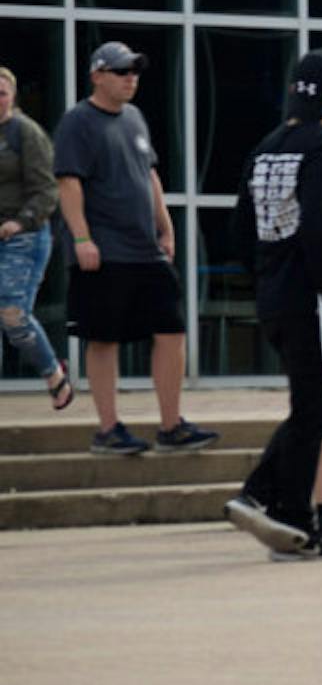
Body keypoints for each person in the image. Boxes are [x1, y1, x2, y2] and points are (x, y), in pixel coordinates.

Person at [53, 41, 215, 457]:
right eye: (122, 71)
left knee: (171, 329)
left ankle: (171, 425)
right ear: (97, 76)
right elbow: (68, 182)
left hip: (146, 250)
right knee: (104, 338)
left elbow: (150, 175)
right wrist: (82, 238)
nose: (131, 78)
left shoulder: (135, 118)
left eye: (135, 71)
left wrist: (167, 228)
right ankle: (108, 429)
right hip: (104, 250)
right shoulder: (78, 122)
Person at [223, 50, 322, 557]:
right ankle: (264, 496)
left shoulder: (266, 146)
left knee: (312, 405)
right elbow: (316, 225)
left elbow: (239, 228)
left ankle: (291, 516)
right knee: (318, 406)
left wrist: (263, 276)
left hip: (275, 296)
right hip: (311, 300)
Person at [0, 65, 68, 409]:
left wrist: (20, 221)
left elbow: (47, 191)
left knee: (13, 315)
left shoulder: (25, 133)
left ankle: (53, 372)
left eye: (1, 93)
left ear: (12, 97)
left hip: (23, 236)